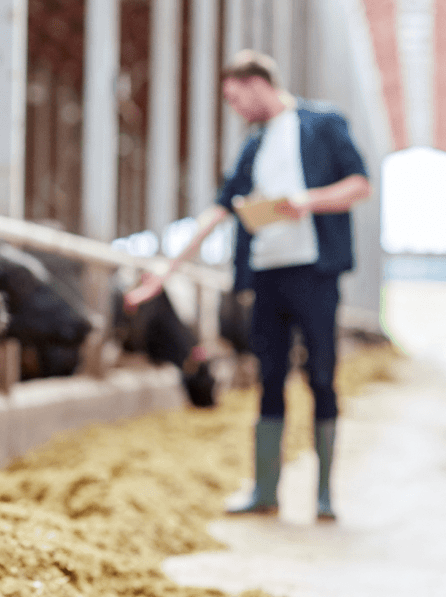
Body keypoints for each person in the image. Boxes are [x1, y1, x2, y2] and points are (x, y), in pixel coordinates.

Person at [125, 50, 371, 521]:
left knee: (321, 375)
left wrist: (306, 201)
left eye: (237, 98)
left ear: (258, 83)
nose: (235, 109)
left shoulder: (322, 124)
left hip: (314, 272)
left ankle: (323, 495)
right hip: (266, 275)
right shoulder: (253, 146)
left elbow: (360, 184)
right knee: (269, 378)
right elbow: (218, 210)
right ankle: (265, 491)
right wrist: (166, 270)